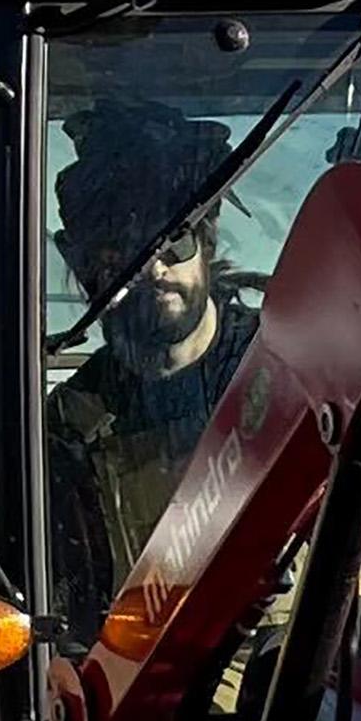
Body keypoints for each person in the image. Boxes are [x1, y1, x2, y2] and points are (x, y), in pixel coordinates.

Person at [45, 97, 259, 611]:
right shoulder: (72, 425)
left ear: (206, 243)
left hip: (324, 663)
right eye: (125, 249)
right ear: (83, 262)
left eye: (174, 242)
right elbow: (73, 606)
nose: (156, 268)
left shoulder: (295, 362)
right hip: (163, 676)